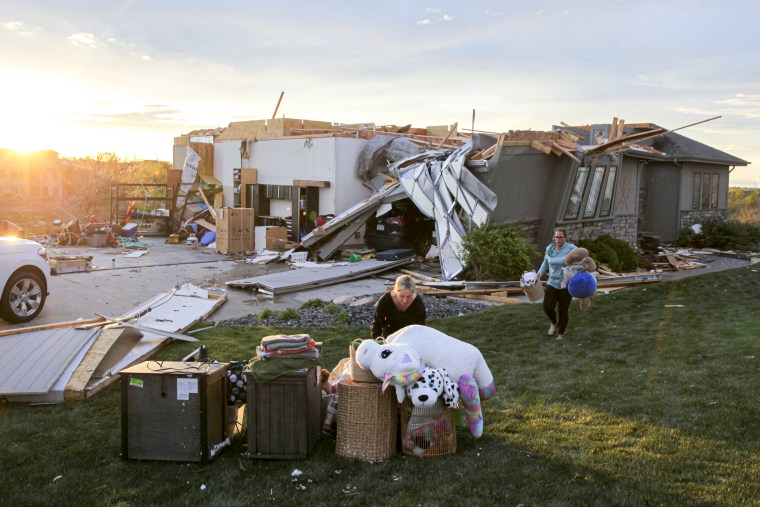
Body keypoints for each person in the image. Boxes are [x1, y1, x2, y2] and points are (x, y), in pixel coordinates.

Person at [536, 227, 576, 340]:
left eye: (561, 237)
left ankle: (561, 333)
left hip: (566, 283)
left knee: (563, 309)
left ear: (565, 238)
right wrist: (540, 272)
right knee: (547, 307)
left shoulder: (571, 248)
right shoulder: (550, 248)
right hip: (552, 282)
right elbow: (545, 262)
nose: (558, 239)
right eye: (556, 237)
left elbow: (581, 256)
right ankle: (554, 323)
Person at [371, 274, 426, 339]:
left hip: (410, 336)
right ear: (396, 291)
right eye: (402, 296)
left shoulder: (417, 302)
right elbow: (377, 323)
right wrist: (378, 340)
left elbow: (420, 327)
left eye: (409, 297)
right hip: (390, 335)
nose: (405, 300)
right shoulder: (386, 300)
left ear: (413, 293)